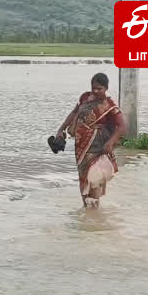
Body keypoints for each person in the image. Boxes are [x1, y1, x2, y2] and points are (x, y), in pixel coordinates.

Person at [55, 72, 128, 208]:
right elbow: (74, 113)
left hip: (99, 146)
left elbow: (122, 126)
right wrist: (61, 129)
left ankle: (94, 207)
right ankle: (87, 211)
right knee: (83, 176)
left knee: (94, 177)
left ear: (106, 88)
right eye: (93, 88)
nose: (95, 91)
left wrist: (111, 142)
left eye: (99, 88)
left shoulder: (110, 105)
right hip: (81, 146)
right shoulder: (85, 97)